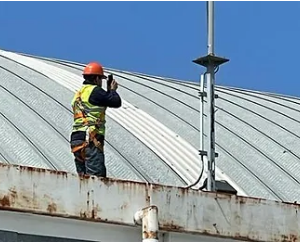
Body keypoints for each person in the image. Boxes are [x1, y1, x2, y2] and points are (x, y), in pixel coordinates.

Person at [70, 62, 121, 177]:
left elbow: (97, 104)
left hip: (77, 138)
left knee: (83, 180)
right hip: (91, 139)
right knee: (96, 180)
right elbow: (116, 102)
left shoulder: (79, 93)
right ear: (97, 78)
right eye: (101, 79)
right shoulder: (95, 91)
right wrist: (112, 90)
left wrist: (107, 93)